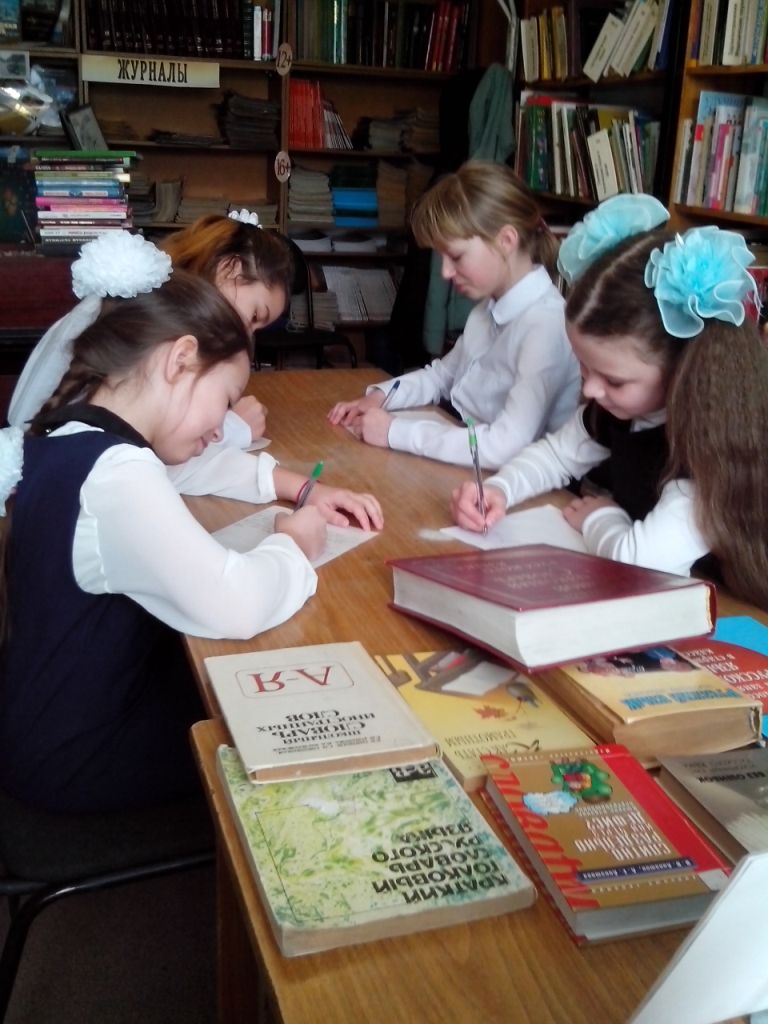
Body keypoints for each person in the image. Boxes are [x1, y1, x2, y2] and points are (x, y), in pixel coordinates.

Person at [0, 238, 383, 815]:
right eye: (226, 399)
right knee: (299, 718)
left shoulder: (75, 437)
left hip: (47, 721)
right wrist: (293, 542)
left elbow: (189, 473)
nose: (222, 428)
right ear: (180, 360)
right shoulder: (117, 475)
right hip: (74, 754)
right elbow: (238, 605)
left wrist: (299, 488)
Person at [452, 193, 768, 609]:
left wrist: (601, 517)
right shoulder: (623, 408)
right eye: (584, 369)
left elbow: (638, 564)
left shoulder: (710, 454)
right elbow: (557, 455)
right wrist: (499, 489)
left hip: (733, 613)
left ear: (685, 371)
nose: (590, 391)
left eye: (614, 381)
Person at [327, 161, 580, 469]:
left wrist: (395, 431)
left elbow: (506, 446)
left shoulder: (546, 325)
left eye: (456, 256)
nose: (446, 272)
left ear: (506, 241)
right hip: (473, 463)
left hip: (517, 482)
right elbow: (442, 377)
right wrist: (380, 397)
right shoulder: (488, 309)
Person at [7, 209, 289, 446]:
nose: (247, 334)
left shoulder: (159, 309)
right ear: (230, 268)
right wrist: (233, 431)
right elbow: (137, 443)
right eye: (254, 315)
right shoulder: (143, 318)